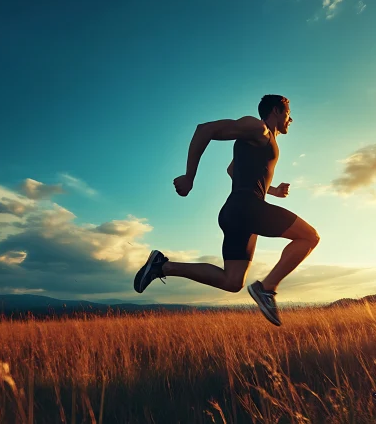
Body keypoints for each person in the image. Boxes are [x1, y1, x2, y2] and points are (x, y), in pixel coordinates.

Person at [133, 95, 320, 326]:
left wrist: (272, 191)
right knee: (310, 236)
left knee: (232, 282)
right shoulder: (258, 128)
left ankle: (162, 266)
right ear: (275, 111)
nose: (291, 119)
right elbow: (204, 130)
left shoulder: (266, 140)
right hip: (246, 207)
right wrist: (189, 177)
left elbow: (232, 170)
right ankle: (266, 288)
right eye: (288, 113)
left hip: (238, 212)